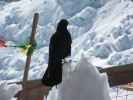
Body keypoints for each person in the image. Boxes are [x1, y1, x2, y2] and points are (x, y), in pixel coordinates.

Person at [41, 19, 72, 87]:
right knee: (59, 77)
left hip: (55, 61)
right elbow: (69, 49)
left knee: (53, 77)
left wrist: (51, 64)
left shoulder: (55, 36)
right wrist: (68, 61)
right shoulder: (68, 35)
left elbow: (51, 52)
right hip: (63, 60)